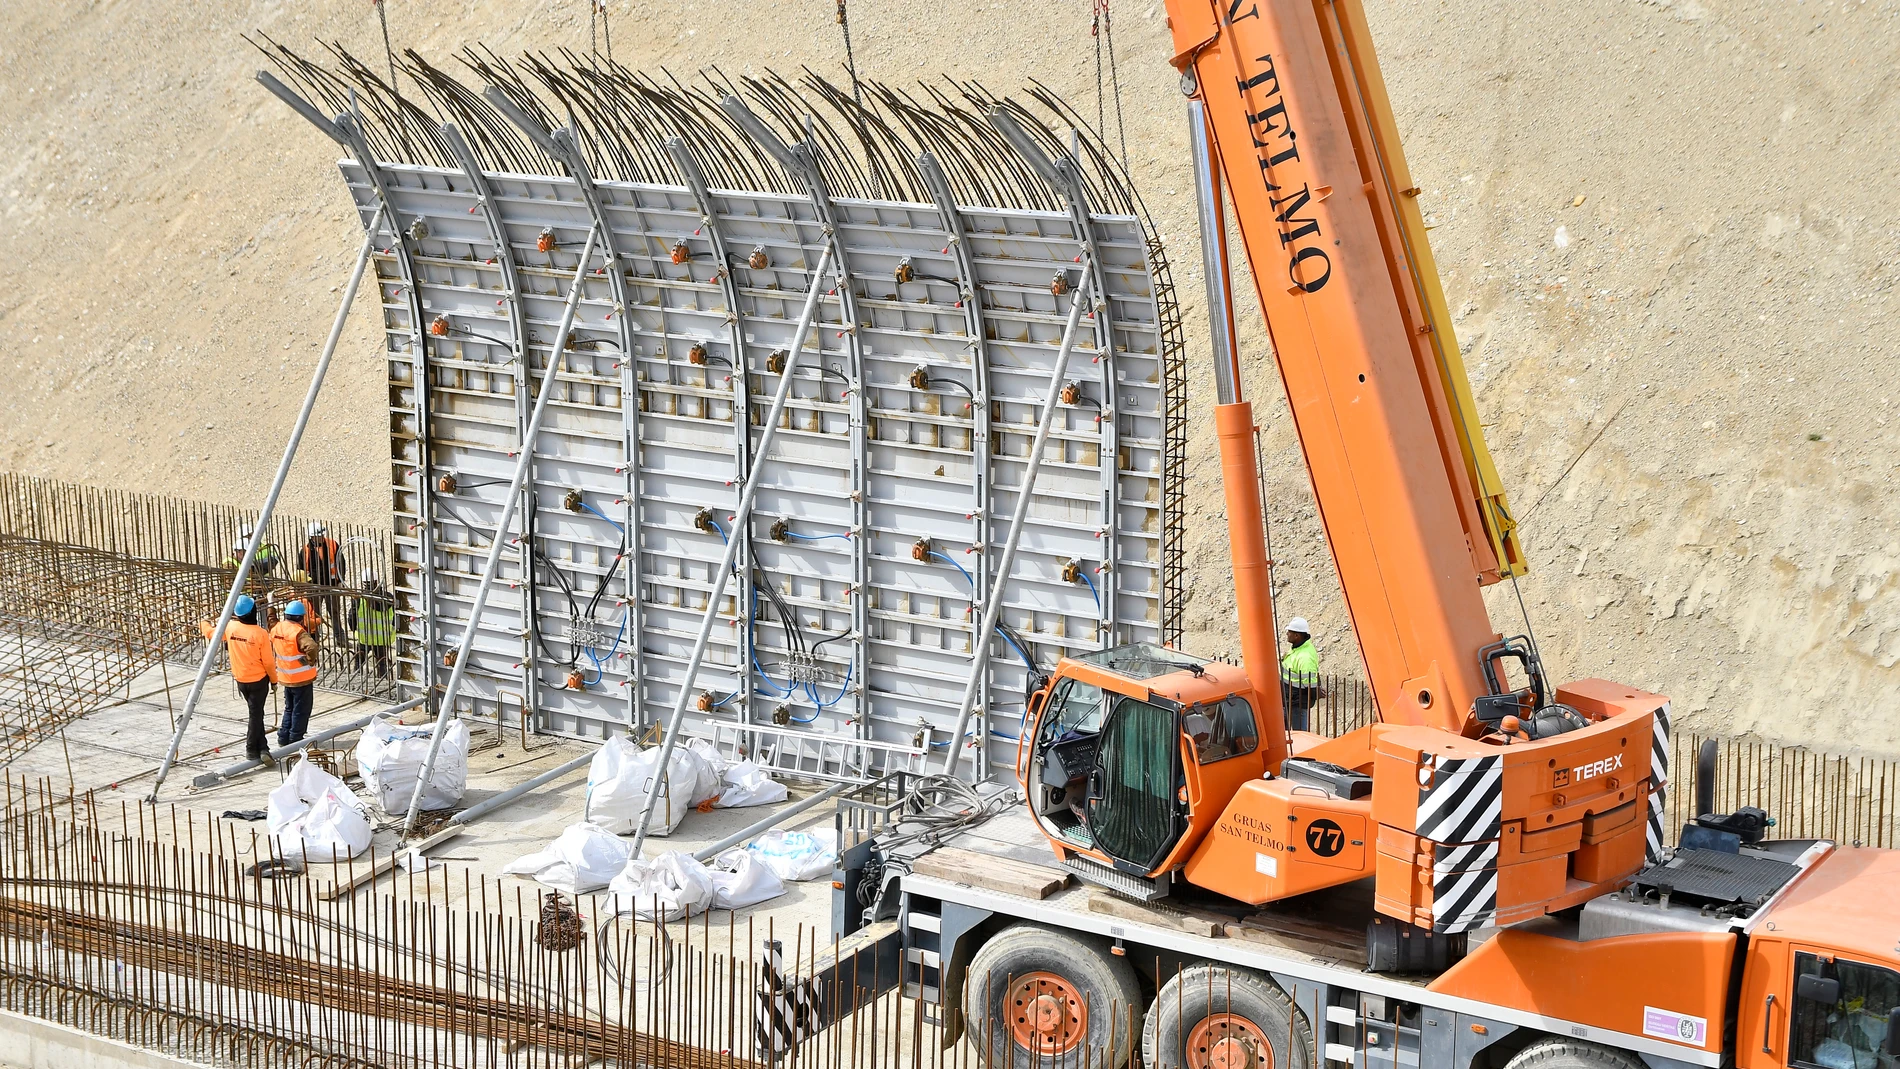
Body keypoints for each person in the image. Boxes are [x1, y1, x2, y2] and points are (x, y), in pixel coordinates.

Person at [198, 594, 277, 762]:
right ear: (254, 612)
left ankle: (263, 749)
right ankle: (251, 749)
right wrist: (274, 680)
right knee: (255, 715)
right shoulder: (260, 633)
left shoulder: (230, 627)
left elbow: (212, 633)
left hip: (241, 680)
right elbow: (269, 662)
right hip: (259, 681)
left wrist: (203, 622)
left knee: (256, 714)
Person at [271, 599, 322, 747]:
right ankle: (295, 739)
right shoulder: (298, 632)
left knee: (289, 708)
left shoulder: (277, 628)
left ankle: (283, 737)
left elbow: (271, 625)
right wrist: (310, 661)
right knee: (301, 710)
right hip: (302, 679)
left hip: (285, 677)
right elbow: (312, 647)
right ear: (300, 617)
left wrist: (271, 609)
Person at [297, 523, 347, 640]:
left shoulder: (332, 544)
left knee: (334, 612)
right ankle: (315, 638)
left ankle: (340, 637)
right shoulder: (305, 551)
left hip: (331, 584)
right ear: (311, 537)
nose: (320, 538)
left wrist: (340, 580)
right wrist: (304, 588)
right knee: (315, 614)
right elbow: (301, 571)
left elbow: (341, 563)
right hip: (313, 587)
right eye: (317, 536)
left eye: (321, 535)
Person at [1279, 616, 1321, 732]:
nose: (1287, 634)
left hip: (1297, 702)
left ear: (1297, 636)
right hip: (1288, 699)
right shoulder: (1297, 648)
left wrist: (1316, 692)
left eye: (1290, 632)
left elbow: (1311, 685)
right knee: (1285, 734)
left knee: (1300, 734)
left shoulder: (1305, 657)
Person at [354, 579, 395, 680]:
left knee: (359, 661)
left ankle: (356, 680)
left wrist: (353, 628)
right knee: (381, 663)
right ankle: (383, 680)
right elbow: (395, 617)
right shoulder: (388, 597)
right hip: (382, 638)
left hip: (364, 637)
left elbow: (352, 616)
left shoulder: (360, 598)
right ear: (377, 582)